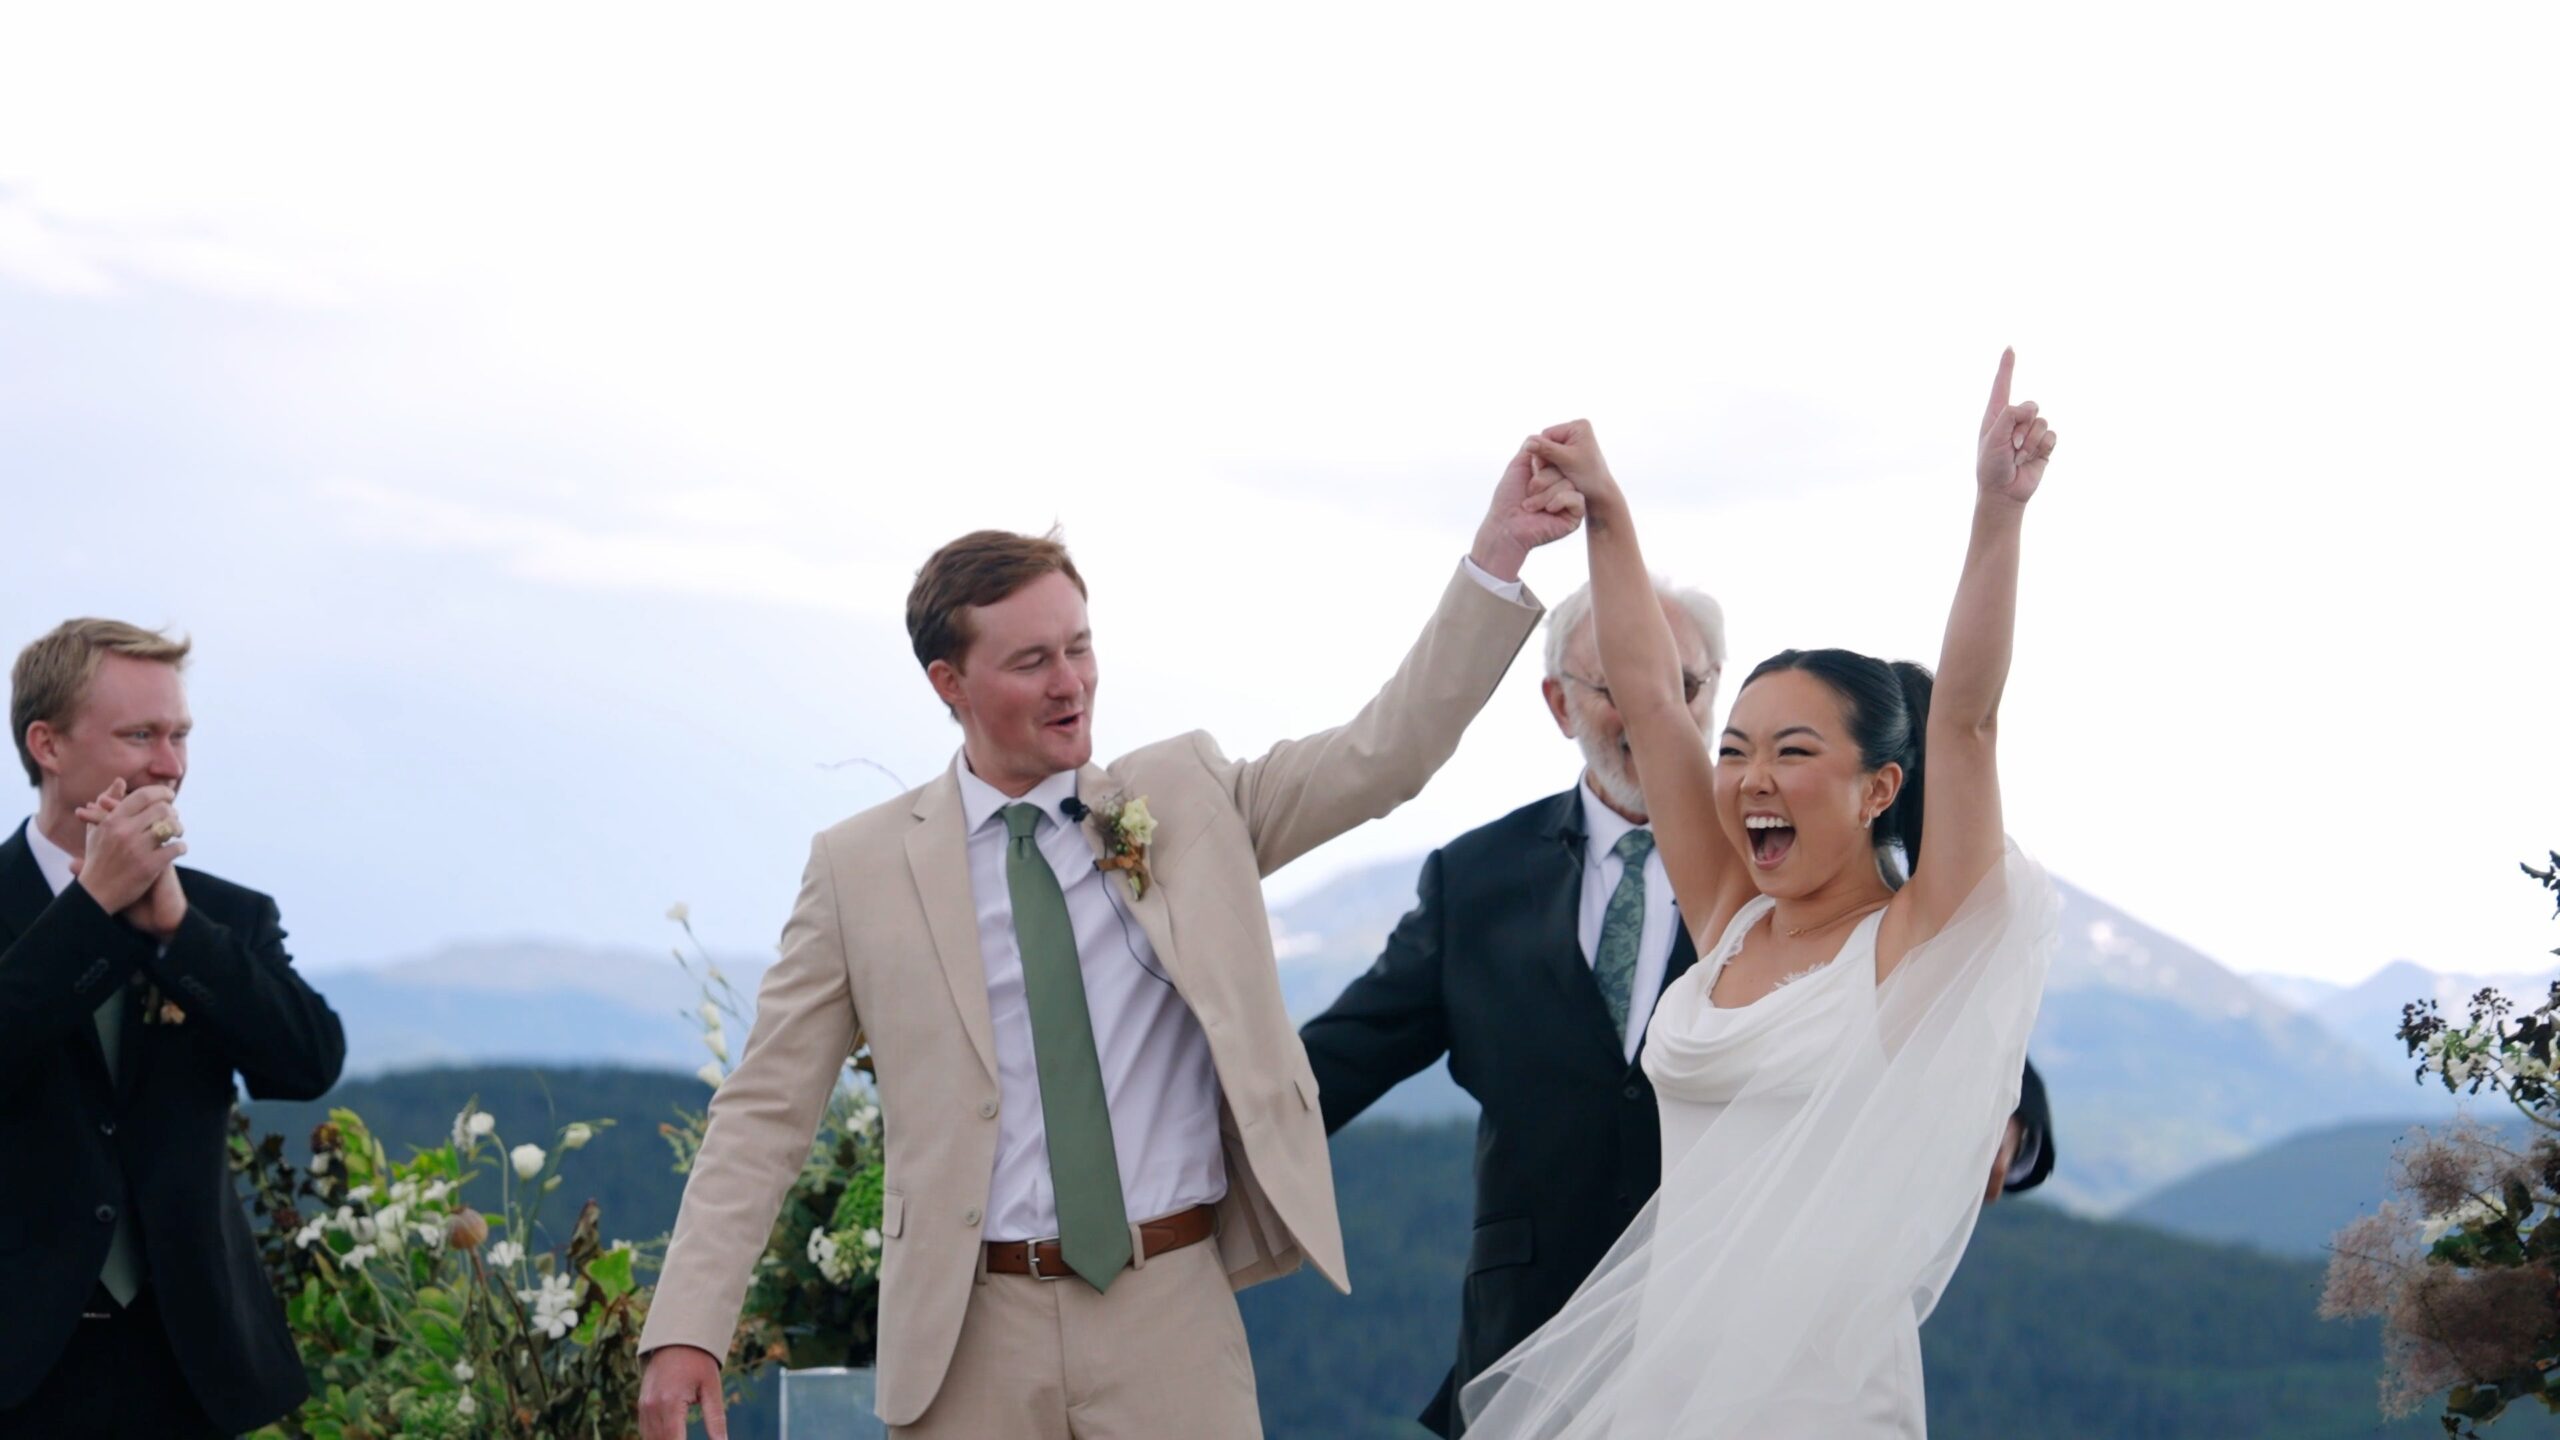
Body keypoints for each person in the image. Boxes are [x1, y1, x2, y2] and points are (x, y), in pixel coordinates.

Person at [637, 446, 1585, 1439]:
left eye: (1079, 648)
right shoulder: (858, 869)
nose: (1071, 684)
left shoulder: (1186, 798)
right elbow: (765, 1111)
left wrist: (1497, 555)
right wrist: (689, 1325)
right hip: (965, 1337)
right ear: (949, 683)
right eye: (1032, 661)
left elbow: (1384, 754)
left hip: (1169, 1314)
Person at [1461, 353, 2063, 1437]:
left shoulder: (1909, 948)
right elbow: (1651, 698)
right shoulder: (1730, 921)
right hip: (1665, 1391)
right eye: (1735, 750)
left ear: (1879, 788)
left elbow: (1966, 720)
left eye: (1792, 752)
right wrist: (1607, 507)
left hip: (1820, 1406)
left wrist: (1997, 509)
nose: (1749, 779)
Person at [1300, 574, 2056, 1437]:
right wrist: (1194, 1149)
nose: (1649, 706)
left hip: (1795, 1372)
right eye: (1614, 686)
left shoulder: (1782, 888)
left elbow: (1934, 995)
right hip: (1539, 1354)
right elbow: (1337, 1062)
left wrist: (1997, 1105)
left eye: (1687, 682)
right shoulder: (1476, 881)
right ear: (1560, 703)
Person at [0, 620, 347, 1438]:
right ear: (47, 745)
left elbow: (306, 1062)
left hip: (190, 1365)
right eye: (140, 736)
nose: (170, 764)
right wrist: (88, 913)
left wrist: (180, 934)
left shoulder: (226, 915)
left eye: (179, 735)